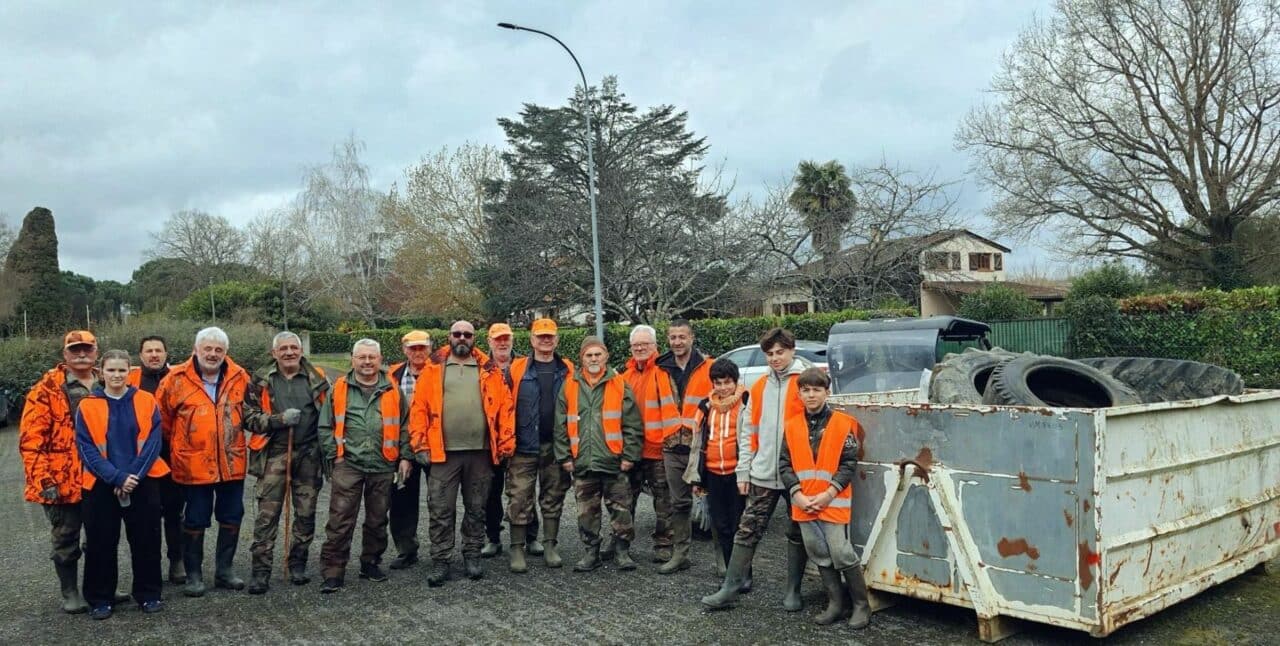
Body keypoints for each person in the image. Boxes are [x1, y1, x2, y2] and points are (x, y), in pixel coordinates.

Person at [702, 327, 809, 611]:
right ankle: (730, 587)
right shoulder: (760, 386)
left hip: (797, 474)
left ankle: (793, 590)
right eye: (770, 353)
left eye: (780, 352)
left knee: (797, 531)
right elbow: (748, 431)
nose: (775, 358)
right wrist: (744, 471)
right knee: (747, 528)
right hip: (763, 472)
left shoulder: (805, 382)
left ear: (792, 350)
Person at [409, 320, 515, 587]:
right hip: (443, 454)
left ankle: (472, 555)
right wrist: (419, 444)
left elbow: (505, 408)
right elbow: (419, 408)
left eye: (467, 334)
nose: (462, 338)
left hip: (481, 453)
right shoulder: (433, 368)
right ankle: (441, 560)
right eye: (457, 334)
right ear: (449, 336)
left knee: (477, 508)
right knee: (440, 509)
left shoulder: (489, 369)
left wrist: (506, 443)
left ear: (474, 338)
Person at [155, 326, 251, 597]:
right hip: (193, 465)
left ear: (226, 352)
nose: (212, 354)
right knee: (195, 519)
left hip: (231, 463)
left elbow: (251, 413)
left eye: (218, 350)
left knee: (232, 516)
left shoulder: (240, 377)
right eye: (207, 348)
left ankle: (224, 571)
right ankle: (194, 575)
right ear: (195, 350)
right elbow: (162, 422)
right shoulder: (175, 379)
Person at [75, 349, 167, 619]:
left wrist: (131, 477)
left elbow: (153, 443)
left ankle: (149, 594)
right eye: (111, 370)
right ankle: (100, 598)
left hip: (142, 481)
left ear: (130, 372)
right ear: (101, 373)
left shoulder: (146, 401)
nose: (116, 375)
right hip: (101, 484)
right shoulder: (87, 406)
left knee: (147, 541)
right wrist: (116, 477)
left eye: (121, 370)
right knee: (100, 543)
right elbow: (86, 448)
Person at [317, 339, 413, 593]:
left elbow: (405, 425)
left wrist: (405, 457)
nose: (367, 362)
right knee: (340, 520)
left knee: (377, 519)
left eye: (372, 357)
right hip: (348, 464)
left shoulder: (392, 389)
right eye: (362, 357)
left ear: (380, 360)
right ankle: (333, 571)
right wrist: (335, 456)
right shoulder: (339, 388)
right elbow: (325, 426)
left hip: (383, 463)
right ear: (353, 360)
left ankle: (370, 563)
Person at [779, 368, 870, 629]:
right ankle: (836, 604)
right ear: (799, 394)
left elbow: (848, 463)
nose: (811, 395)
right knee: (818, 552)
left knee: (841, 552)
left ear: (826, 392)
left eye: (816, 390)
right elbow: (784, 464)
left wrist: (829, 493)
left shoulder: (842, 423)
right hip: (804, 504)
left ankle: (861, 605)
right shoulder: (792, 425)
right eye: (806, 390)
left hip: (832, 501)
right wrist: (796, 494)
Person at [242, 331, 330, 594]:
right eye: (283, 349)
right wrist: (278, 420)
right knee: (267, 516)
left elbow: (330, 414)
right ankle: (261, 571)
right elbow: (248, 418)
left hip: (309, 454)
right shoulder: (260, 380)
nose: (289, 352)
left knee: (305, 513)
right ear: (274, 353)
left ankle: (298, 563)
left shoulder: (318, 378)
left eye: (294, 347)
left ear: (301, 351)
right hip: (274, 453)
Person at [20, 330, 102, 613]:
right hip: (62, 478)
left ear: (96, 352)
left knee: (101, 536)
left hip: (100, 476)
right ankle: (70, 592)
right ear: (65, 354)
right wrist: (44, 480)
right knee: (66, 538)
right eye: (75, 349)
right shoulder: (45, 390)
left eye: (87, 348)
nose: (82, 354)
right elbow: (31, 441)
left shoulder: (107, 381)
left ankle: (100, 587)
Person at [553, 336, 644, 572]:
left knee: (621, 510)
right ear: (582, 358)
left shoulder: (620, 384)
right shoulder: (569, 385)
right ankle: (591, 552)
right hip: (582, 463)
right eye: (589, 355)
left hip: (614, 462)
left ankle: (622, 551)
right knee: (586, 513)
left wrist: (629, 457)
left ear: (606, 357)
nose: (593, 359)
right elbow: (560, 425)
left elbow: (632, 424)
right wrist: (565, 457)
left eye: (597, 354)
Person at [502, 318, 572, 572]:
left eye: (549, 336)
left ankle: (550, 545)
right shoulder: (516, 368)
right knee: (519, 497)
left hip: (556, 446)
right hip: (523, 446)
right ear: (532, 339)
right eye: (540, 336)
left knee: (553, 496)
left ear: (557, 339)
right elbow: (503, 406)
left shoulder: (568, 370)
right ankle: (517, 548)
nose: (545, 340)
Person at [654, 319, 712, 574]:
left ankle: (723, 559)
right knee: (678, 504)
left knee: (714, 502)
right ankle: (680, 554)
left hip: (700, 446)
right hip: (671, 447)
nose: (677, 342)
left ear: (691, 338)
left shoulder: (708, 367)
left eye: (682, 337)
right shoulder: (660, 370)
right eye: (673, 337)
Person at [617, 324, 679, 563]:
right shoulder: (624, 377)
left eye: (645, 344)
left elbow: (672, 411)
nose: (640, 348)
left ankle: (664, 543)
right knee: (624, 499)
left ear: (655, 346)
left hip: (659, 449)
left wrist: (669, 444)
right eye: (636, 345)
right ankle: (621, 542)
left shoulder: (664, 372)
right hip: (631, 450)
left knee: (664, 500)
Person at [685, 357, 749, 584]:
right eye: (718, 383)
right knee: (720, 525)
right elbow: (697, 443)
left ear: (736, 381)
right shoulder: (705, 406)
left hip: (737, 475)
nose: (723, 388)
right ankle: (731, 574)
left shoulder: (746, 403)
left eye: (727, 382)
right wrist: (696, 477)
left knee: (739, 525)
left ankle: (744, 574)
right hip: (713, 474)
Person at [126, 336, 185, 584]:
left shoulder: (178, 378)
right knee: (147, 516)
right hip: (142, 460)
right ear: (140, 356)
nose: (154, 355)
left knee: (174, 512)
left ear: (166, 354)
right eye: (148, 351)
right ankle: (151, 567)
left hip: (173, 458)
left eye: (158, 350)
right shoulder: (130, 380)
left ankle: (177, 560)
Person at [386, 330, 433, 570]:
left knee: (439, 501)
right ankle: (406, 550)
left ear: (430, 348)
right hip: (403, 447)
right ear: (404, 349)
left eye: (422, 347)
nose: (417, 352)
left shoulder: (439, 372)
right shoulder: (391, 376)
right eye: (413, 348)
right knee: (402, 501)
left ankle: (441, 550)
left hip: (433, 447)